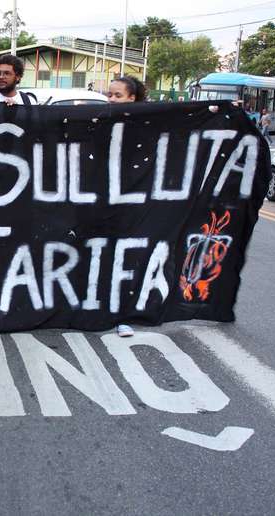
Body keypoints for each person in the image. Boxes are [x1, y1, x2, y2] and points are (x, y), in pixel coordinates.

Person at [106, 76, 149, 338]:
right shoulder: (97, 118)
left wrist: (218, 110)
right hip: (98, 203)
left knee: (125, 257)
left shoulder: (148, 122)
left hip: (132, 203)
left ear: (132, 98)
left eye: (118, 95)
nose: (111, 99)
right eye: (109, 94)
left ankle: (124, 314)